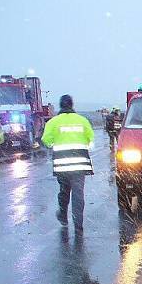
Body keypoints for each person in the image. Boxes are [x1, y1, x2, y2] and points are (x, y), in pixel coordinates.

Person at [41, 95, 94, 233]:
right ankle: (78, 223)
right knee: (78, 194)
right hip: (80, 165)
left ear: (61, 105)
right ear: (72, 104)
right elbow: (90, 139)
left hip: (62, 164)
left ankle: (63, 216)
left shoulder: (53, 122)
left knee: (64, 191)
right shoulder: (82, 121)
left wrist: (56, 144)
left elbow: (46, 140)